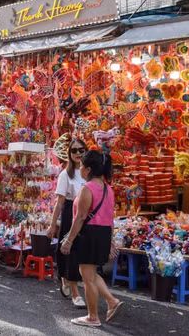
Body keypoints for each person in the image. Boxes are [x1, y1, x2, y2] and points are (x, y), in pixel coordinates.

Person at [61, 150, 122, 328]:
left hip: (89, 234)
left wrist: (69, 240)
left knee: (87, 277)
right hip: (102, 234)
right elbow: (110, 219)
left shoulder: (87, 189)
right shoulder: (108, 189)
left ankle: (93, 316)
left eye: (81, 166)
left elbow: (80, 218)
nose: (79, 169)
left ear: (88, 170)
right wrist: (110, 241)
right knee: (91, 274)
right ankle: (111, 301)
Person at [47, 138, 87, 308]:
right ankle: (75, 293)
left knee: (81, 254)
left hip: (86, 215)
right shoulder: (65, 174)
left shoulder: (89, 173)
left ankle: (65, 277)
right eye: (74, 151)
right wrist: (52, 224)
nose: (78, 153)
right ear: (69, 154)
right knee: (70, 251)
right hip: (71, 212)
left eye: (81, 150)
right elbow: (60, 201)